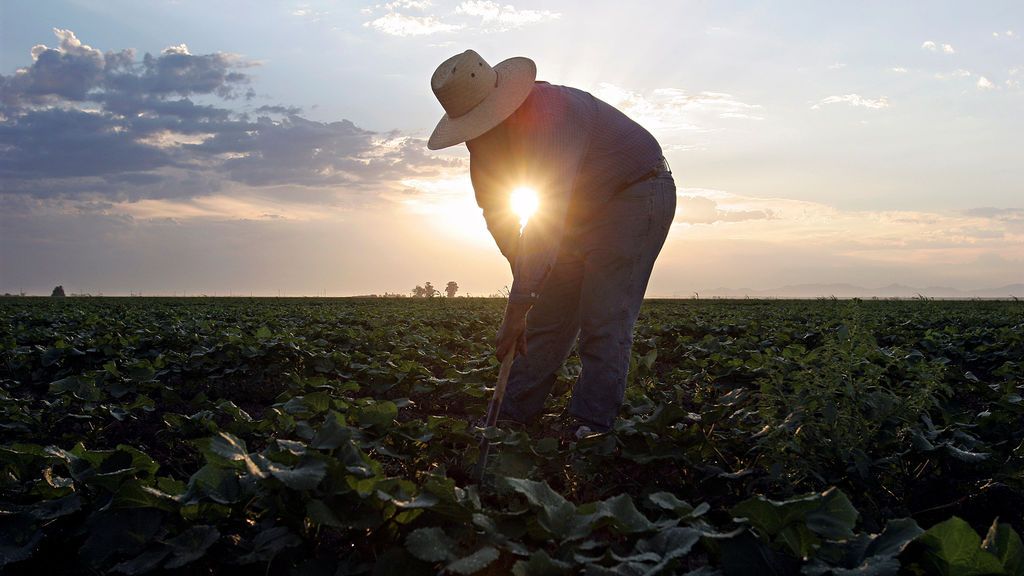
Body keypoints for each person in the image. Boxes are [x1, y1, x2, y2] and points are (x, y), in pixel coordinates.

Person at [427, 50, 675, 436]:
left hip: (635, 192)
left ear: (503, 105)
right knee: (547, 318)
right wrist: (527, 286)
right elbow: (500, 216)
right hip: (578, 209)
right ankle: (512, 414)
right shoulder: (482, 148)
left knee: (603, 316)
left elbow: (549, 211)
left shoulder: (554, 113)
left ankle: (592, 423)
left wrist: (518, 302)